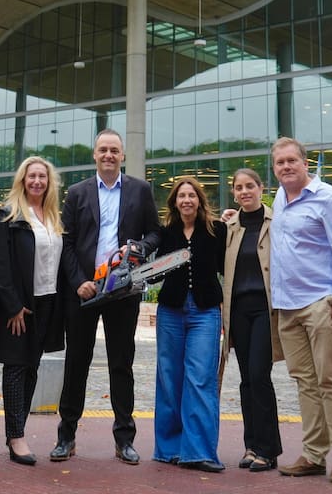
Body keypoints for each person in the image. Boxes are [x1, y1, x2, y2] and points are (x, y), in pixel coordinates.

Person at [52, 127, 160, 465]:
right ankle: (66, 436)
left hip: (122, 289)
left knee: (121, 364)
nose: (109, 155)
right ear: (95, 155)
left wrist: (141, 248)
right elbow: (66, 242)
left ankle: (124, 438)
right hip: (84, 290)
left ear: (122, 155)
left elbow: (156, 233)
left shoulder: (141, 191)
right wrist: (78, 281)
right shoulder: (77, 192)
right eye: (103, 150)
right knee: (76, 363)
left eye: (114, 150)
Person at [268, 137, 332, 485]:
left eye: (292, 160)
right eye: (280, 163)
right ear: (274, 168)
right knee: (305, 383)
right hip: (287, 306)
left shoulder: (329, 198)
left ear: (305, 163)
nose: (286, 167)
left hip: (320, 302)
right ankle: (313, 453)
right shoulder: (280, 198)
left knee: (331, 381)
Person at [0, 156, 65, 465]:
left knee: (32, 365)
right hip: (19, 305)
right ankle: (15, 436)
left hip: (47, 302)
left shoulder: (54, 217)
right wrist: (13, 306)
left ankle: (17, 430)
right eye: (31, 176)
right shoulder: (9, 216)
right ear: (22, 180)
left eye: (42, 177)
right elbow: (0, 267)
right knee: (16, 366)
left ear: (49, 182)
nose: (37, 182)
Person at [152, 177, 227, 473]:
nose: (186, 200)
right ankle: (169, 448)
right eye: (181, 196)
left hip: (205, 311)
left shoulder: (216, 229)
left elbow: (226, 265)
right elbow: (155, 273)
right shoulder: (166, 232)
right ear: (174, 202)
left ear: (199, 200)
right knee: (170, 377)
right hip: (171, 310)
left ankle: (199, 451)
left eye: (191, 195)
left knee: (200, 378)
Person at [221, 168, 283, 472]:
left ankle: (268, 449)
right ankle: (251, 445)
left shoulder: (277, 221)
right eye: (238, 187)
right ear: (234, 193)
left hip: (264, 309)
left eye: (250, 186)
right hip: (238, 310)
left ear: (261, 188)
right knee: (246, 379)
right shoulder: (230, 226)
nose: (244, 191)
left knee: (260, 375)